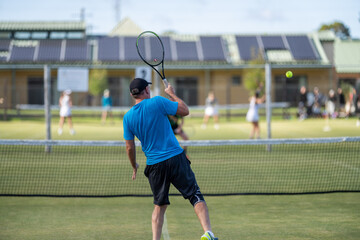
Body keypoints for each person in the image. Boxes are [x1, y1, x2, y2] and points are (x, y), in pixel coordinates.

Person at [123, 78, 218, 240]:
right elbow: (185, 110)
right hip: (176, 158)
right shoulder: (158, 102)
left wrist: (134, 166)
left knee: (159, 206)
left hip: (154, 165)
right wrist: (172, 94)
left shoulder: (128, 118)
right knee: (195, 195)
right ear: (146, 90)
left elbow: (129, 147)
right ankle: (208, 233)